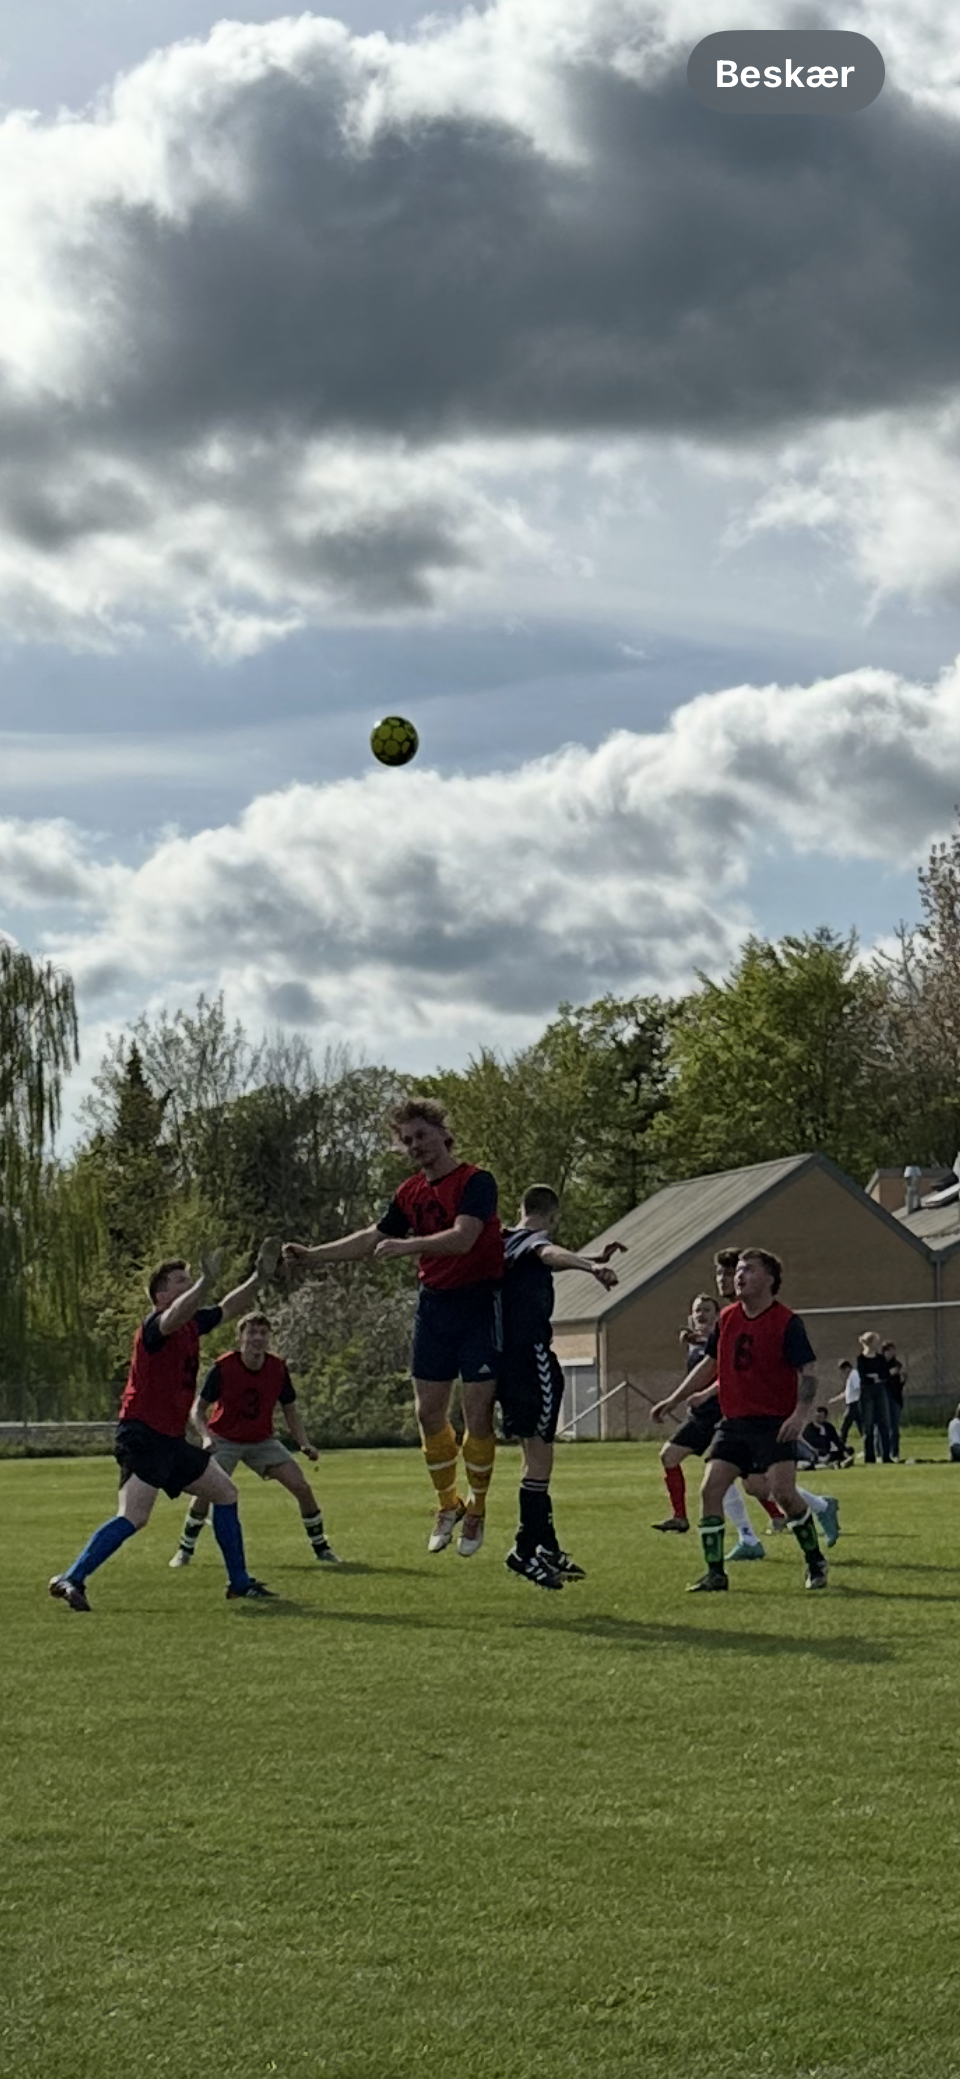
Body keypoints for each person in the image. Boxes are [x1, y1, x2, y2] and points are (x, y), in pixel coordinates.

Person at [283, 1097, 503, 1557]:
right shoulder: (409, 1193)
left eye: (421, 1135)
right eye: (407, 1140)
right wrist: (313, 1255)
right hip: (435, 1308)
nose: (415, 1145)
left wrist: (408, 1246)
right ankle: (448, 1503)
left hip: (479, 1305)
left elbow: (464, 1238)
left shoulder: (475, 1181)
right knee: (427, 1413)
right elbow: (371, 1238)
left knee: (477, 1414)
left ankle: (478, 1507)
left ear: (444, 1134)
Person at [49, 1244, 280, 1612]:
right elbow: (174, 1316)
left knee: (225, 1492)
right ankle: (72, 1578)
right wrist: (204, 1282)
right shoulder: (156, 1326)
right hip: (142, 1435)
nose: (188, 1284)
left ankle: (239, 1582)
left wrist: (258, 1278)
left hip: (170, 1438)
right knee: (134, 1517)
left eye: (189, 1279)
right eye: (180, 1281)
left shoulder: (190, 1324)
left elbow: (228, 1308)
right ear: (161, 1294)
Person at [650, 1247, 828, 1592]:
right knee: (710, 1489)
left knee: (784, 1494)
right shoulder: (727, 1318)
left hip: (773, 1423)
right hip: (733, 1423)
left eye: (749, 1269)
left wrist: (799, 1415)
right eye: (739, 1270)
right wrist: (675, 1398)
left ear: (770, 1279)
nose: (739, 1276)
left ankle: (814, 1560)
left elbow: (808, 1371)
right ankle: (715, 1574)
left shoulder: (786, 1321)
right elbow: (710, 1363)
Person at [498, 1184, 623, 1590]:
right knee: (541, 1457)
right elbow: (546, 1252)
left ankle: (545, 1546)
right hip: (531, 1356)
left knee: (531, 1455)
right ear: (553, 1216)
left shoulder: (503, 1242)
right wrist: (591, 1269)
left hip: (505, 1359)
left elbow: (542, 1260)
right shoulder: (534, 1242)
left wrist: (592, 1258)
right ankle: (525, 1549)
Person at [169, 1311, 340, 1569]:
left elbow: (290, 1409)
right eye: (251, 1332)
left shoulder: (277, 1368)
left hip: (262, 1440)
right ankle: (185, 1550)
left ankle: (322, 1548)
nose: (257, 1338)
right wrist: (205, 1437)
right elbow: (198, 1409)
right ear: (241, 1337)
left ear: (269, 1337)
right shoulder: (224, 1366)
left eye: (263, 1333)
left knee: (301, 1487)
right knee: (207, 1491)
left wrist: (304, 1443)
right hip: (224, 1438)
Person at [857, 1332, 893, 1464]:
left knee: (884, 1422)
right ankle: (869, 1456)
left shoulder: (880, 1359)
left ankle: (886, 1455)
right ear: (870, 1343)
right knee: (868, 1424)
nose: (877, 1344)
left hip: (880, 1390)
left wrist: (875, 1377)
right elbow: (862, 1376)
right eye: (875, 1341)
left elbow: (885, 1374)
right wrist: (873, 1378)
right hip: (867, 1391)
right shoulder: (861, 1359)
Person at [830, 1359, 862, 1455]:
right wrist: (835, 1399)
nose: (843, 1373)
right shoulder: (850, 1377)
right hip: (851, 1403)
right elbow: (846, 1393)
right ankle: (868, 1447)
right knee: (861, 1427)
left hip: (854, 1404)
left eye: (843, 1370)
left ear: (847, 1367)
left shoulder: (854, 1374)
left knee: (844, 1426)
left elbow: (858, 1388)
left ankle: (840, 1447)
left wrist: (860, 1401)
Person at [882, 1342, 906, 1460]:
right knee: (883, 1426)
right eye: (890, 1350)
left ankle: (895, 1452)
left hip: (895, 1397)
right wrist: (889, 1373)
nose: (892, 1353)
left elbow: (898, 1384)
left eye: (893, 1350)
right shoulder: (880, 1364)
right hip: (883, 1397)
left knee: (894, 1426)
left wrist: (902, 1379)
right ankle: (881, 1452)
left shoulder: (897, 1364)